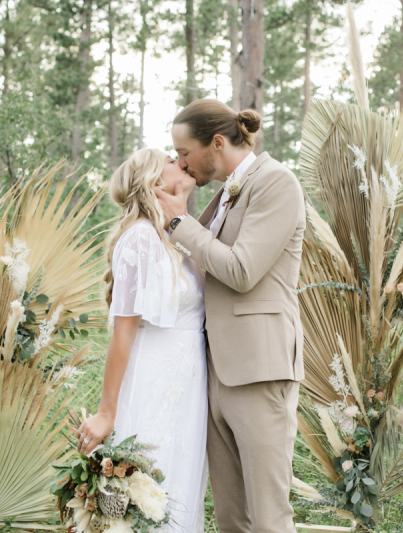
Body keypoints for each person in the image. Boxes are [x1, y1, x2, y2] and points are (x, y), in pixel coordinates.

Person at [155, 99, 306, 533]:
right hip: (215, 371)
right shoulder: (223, 195)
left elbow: (242, 271)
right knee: (231, 518)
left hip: (259, 369)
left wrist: (180, 223)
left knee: (268, 517)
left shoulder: (277, 183)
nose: (181, 162)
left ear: (216, 143)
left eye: (184, 152)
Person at [77, 148, 208, 532]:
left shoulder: (175, 235)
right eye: (171, 159)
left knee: (182, 493)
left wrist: (180, 214)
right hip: (154, 382)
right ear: (153, 181)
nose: (181, 161)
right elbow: (123, 332)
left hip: (189, 386)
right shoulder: (139, 239)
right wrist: (106, 412)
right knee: (150, 496)